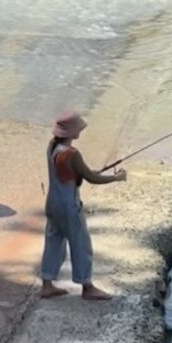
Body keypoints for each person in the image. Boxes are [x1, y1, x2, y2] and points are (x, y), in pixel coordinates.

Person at [40, 110, 127, 301]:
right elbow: (92, 178)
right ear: (71, 132)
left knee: (53, 241)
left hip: (52, 202)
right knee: (80, 243)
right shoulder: (72, 153)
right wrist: (116, 177)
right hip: (69, 205)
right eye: (78, 128)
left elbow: (72, 172)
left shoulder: (52, 147)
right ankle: (86, 285)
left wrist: (88, 172)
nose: (80, 131)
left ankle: (47, 283)